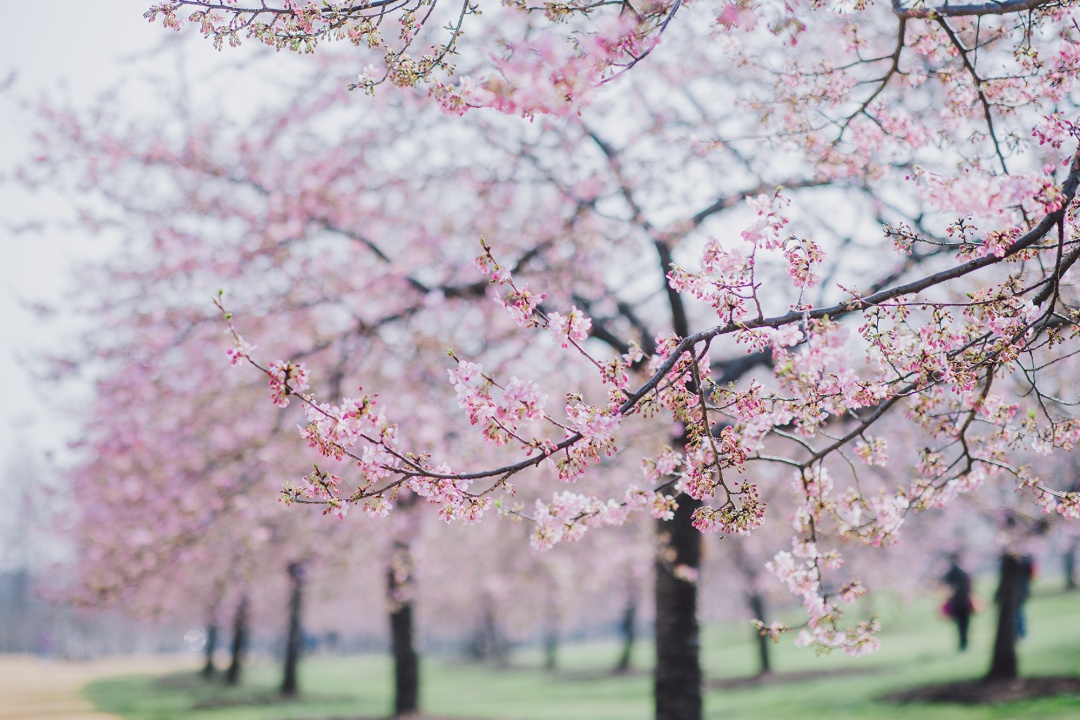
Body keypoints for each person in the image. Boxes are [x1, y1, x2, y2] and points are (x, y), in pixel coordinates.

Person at [943, 553, 973, 652]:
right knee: (964, 624)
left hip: (956, 602)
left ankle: (962, 643)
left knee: (960, 625)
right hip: (964, 601)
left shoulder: (951, 572)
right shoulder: (964, 572)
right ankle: (964, 642)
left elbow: (945, 583)